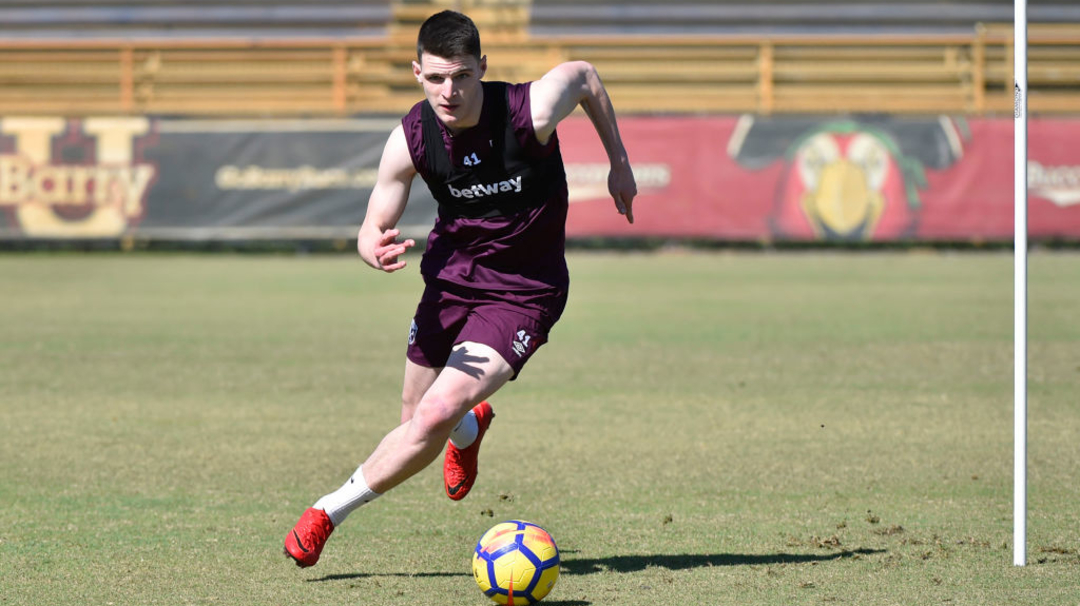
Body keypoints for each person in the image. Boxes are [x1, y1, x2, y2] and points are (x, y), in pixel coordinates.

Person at [284, 9, 636, 568]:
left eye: (463, 76)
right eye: (437, 77)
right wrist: (368, 244)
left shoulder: (530, 111)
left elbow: (586, 75)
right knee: (415, 418)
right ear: (418, 73)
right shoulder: (410, 138)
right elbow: (373, 219)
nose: (450, 91)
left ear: (482, 69)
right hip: (450, 280)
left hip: (523, 292)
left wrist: (619, 162)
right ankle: (469, 428)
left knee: (430, 416)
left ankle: (327, 511)